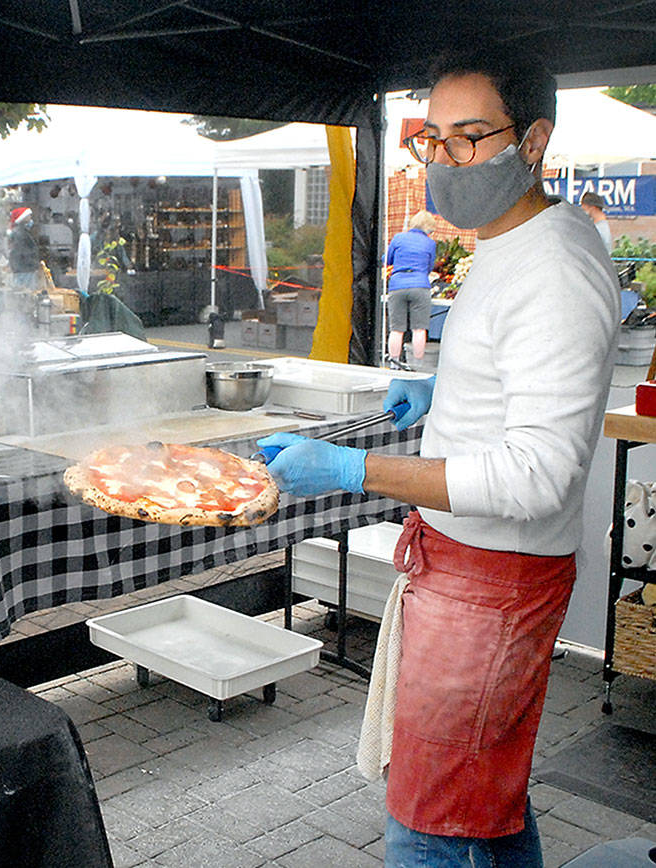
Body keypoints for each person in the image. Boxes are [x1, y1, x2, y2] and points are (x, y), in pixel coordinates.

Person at [257, 49, 619, 868]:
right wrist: (444, 388)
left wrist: (352, 471)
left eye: (468, 138)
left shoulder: (555, 268)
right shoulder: (507, 239)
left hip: (494, 585)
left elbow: (538, 472)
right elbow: (517, 384)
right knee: (484, 798)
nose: (444, 161)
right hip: (468, 566)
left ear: (533, 142)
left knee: (429, 822)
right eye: (432, 139)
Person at [384, 211, 438, 369]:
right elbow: (429, 266)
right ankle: (417, 364)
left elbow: (387, 260)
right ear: (428, 228)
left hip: (397, 285)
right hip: (420, 285)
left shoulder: (398, 238)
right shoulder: (429, 243)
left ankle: (394, 363)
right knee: (419, 329)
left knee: (396, 329)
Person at [6, 206, 41, 290]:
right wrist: (34, 262)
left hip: (23, 268)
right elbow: (22, 252)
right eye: (29, 216)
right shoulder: (20, 233)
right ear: (23, 218)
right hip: (25, 269)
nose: (30, 218)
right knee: (25, 293)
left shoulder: (21, 232)